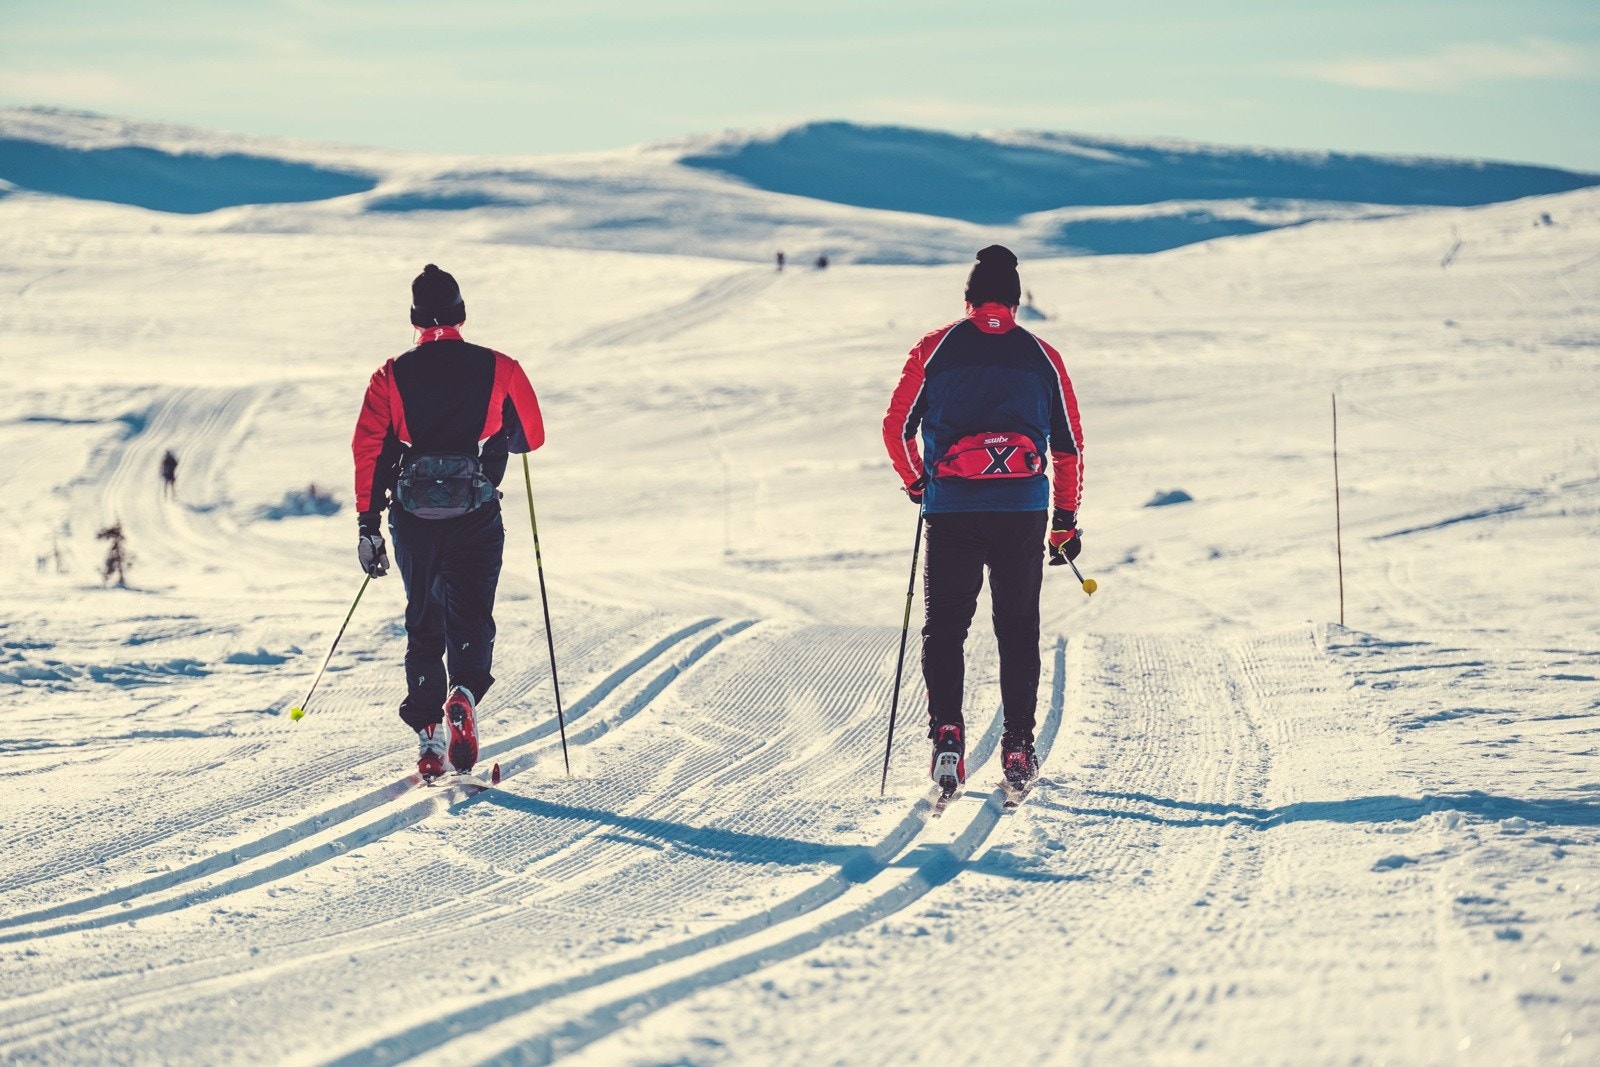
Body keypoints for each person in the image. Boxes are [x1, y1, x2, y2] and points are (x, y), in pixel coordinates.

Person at [881, 244, 1084, 795]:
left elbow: (896, 428)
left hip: (951, 510)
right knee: (1017, 629)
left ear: (969, 296)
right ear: (1015, 301)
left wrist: (918, 481)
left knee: (945, 629)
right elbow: (1068, 447)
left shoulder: (935, 348)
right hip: (1022, 512)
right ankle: (1017, 744)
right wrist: (1064, 520)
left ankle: (947, 736)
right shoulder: (1044, 356)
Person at [351, 264, 545, 781]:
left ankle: (428, 736)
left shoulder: (389, 376)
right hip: (475, 513)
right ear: (461, 312)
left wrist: (368, 525)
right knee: (472, 613)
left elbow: (369, 450)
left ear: (414, 318)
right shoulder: (500, 367)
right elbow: (533, 436)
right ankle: (463, 693)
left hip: (414, 518)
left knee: (423, 618)